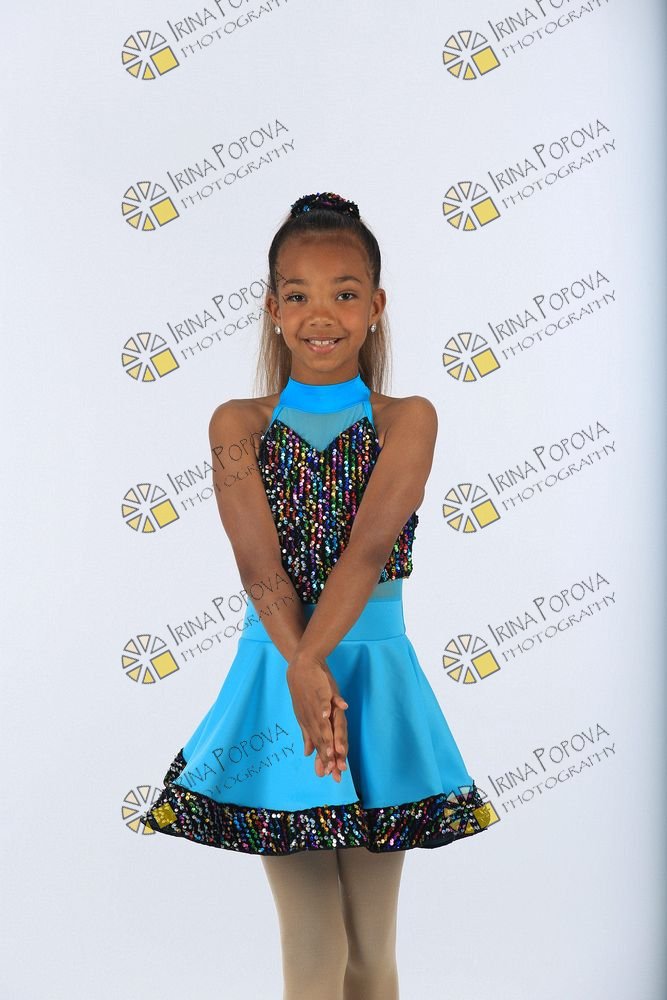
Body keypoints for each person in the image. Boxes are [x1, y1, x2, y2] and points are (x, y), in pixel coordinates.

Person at [139, 191, 493, 999]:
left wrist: (313, 664)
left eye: (344, 292)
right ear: (272, 310)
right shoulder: (238, 423)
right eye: (297, 295)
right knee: (313, 940)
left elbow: (368, 550)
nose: (320, 314)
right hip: (275, 674)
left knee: (369, 948)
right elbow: (257, 564)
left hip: (371, 678)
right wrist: (297, 668)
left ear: (375, 306)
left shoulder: (407, 418)